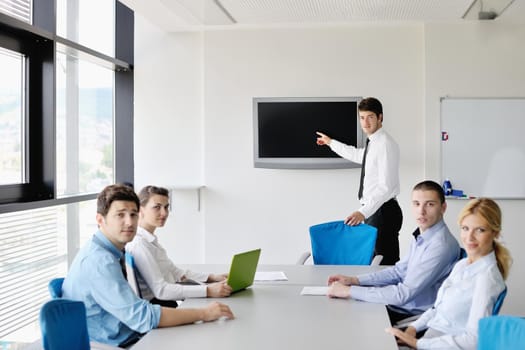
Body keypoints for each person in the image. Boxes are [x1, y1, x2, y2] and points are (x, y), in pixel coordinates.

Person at [62, 184, 233, 347]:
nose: (129, 222)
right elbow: (142, 317)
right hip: (116, 342)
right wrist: (204, 313)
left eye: (133, 214)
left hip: (127, 331)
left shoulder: (108, 251)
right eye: (120, 215)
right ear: (100, 219)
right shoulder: (100, 262)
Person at [327, 180, 461, 324]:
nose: (421, 211)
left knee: (344, 321)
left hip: (412, 318)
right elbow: (398, 272)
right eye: (416, 204)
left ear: (443, 207)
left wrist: (348, 291)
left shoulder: (440, 246)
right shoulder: (424, 235)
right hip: (399, 307)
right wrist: (354, 281)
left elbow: (403, 294)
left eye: (430, 204)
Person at [386, 197, 512, 349]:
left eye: (480, 230)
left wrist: (418, 343)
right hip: (430, 337)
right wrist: (412, 329)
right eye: (465, 228)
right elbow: (437, 309)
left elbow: (473, 340)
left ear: (495, 233)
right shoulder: (462, 265)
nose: (469, 237)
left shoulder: (486, 278)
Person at [316, 97, 402, 264]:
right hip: (376, 210)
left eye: (370, 117)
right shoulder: (375, 143)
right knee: (375, 262)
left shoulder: (384, 144)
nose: (365, 123)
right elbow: (357, 155)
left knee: (384, 265)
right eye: (362, 118)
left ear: (380, 117)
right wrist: (330, 143)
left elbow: (386, 187)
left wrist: (362, 212)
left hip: (383, 211)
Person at [126, 185, 232, 306]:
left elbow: (176, 272)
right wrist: (208, 290)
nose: (164, 213)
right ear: (140, 210)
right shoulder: (139, 245)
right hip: (159, 307)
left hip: (166, 302)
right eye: (157, 207)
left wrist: (212, 277)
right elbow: (161, 290)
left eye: (166, 207)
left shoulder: (150, 240)